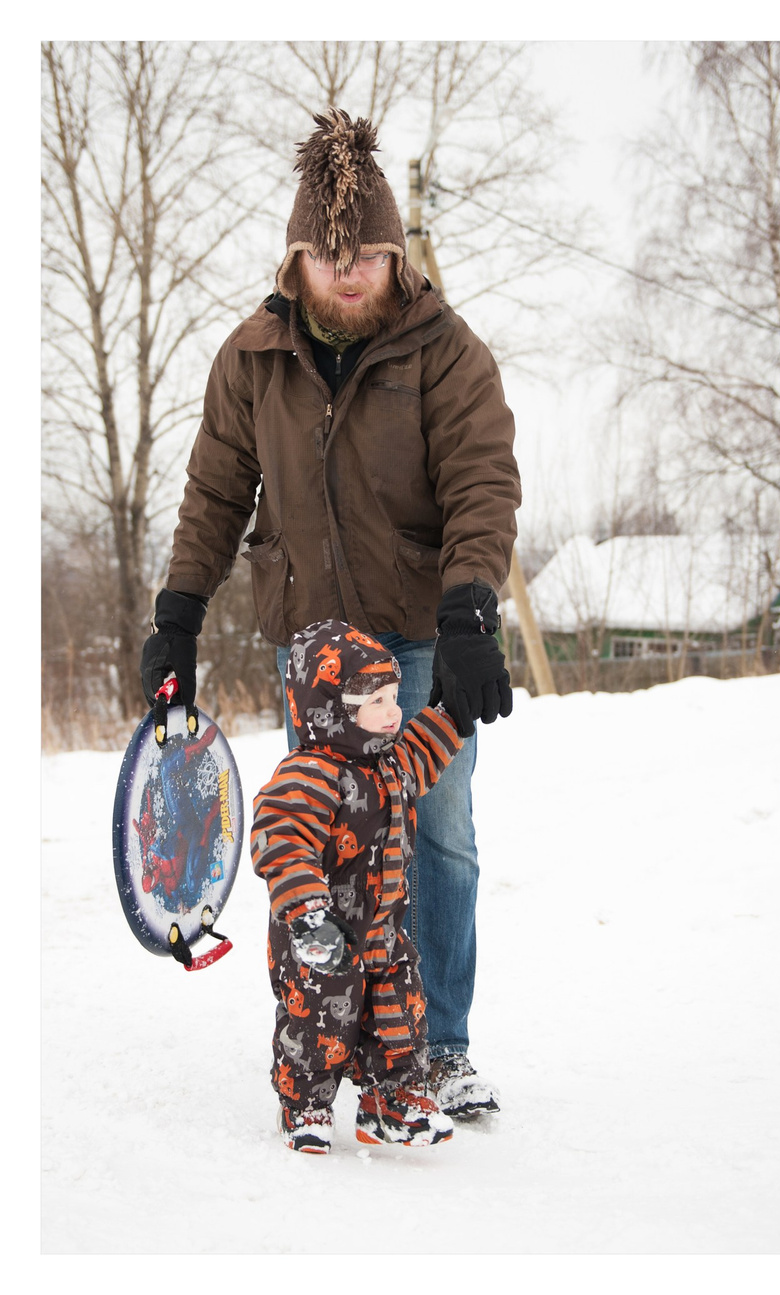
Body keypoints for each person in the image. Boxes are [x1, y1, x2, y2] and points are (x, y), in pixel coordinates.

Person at [141, 109, 520, 1120]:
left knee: (433, 831)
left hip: (417, 639)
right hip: (311, 651)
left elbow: (483, 484)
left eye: (369, 256)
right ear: (298, 256)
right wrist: (177, 611)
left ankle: (438, 1043)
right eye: (328, 256)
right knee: (320, 837)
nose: (348, 275)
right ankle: (332, 1036)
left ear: (395, 255)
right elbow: (216, 492)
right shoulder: (250, 358)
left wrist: (471, 609)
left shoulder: (447, 351)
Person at [257, 621, 470, 1152]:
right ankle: (305, 1105)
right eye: (378, 700)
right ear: (332, 706)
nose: (394, 711)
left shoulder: (390, 763)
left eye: (395, 696)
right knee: (319, 1025)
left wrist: (454, 711)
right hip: (322, 939)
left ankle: (391, 1102)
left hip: (383, 932)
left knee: (400, 1012)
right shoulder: (309, 773)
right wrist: (306, 911)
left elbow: (424, 748)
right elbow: (280, 838)